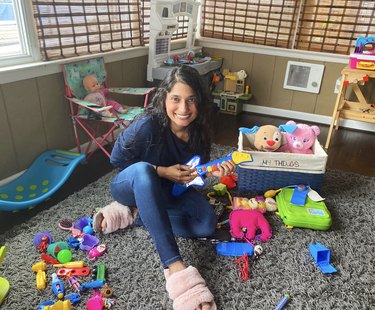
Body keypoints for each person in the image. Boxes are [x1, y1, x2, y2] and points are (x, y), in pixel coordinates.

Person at [93, 65, 235, 310]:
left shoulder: (200, 131)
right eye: (176, 99)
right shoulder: (146, 125)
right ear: (164, 98)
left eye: (191, 100)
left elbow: (191, 174)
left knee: (206, 223)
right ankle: (174, 266)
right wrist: (161, 171)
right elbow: (117, 160)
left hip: (166, 192)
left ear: (199, 102)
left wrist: (211, 173)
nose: (183, 109)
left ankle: (136, 215)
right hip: (131, 185)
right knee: (143, 171)